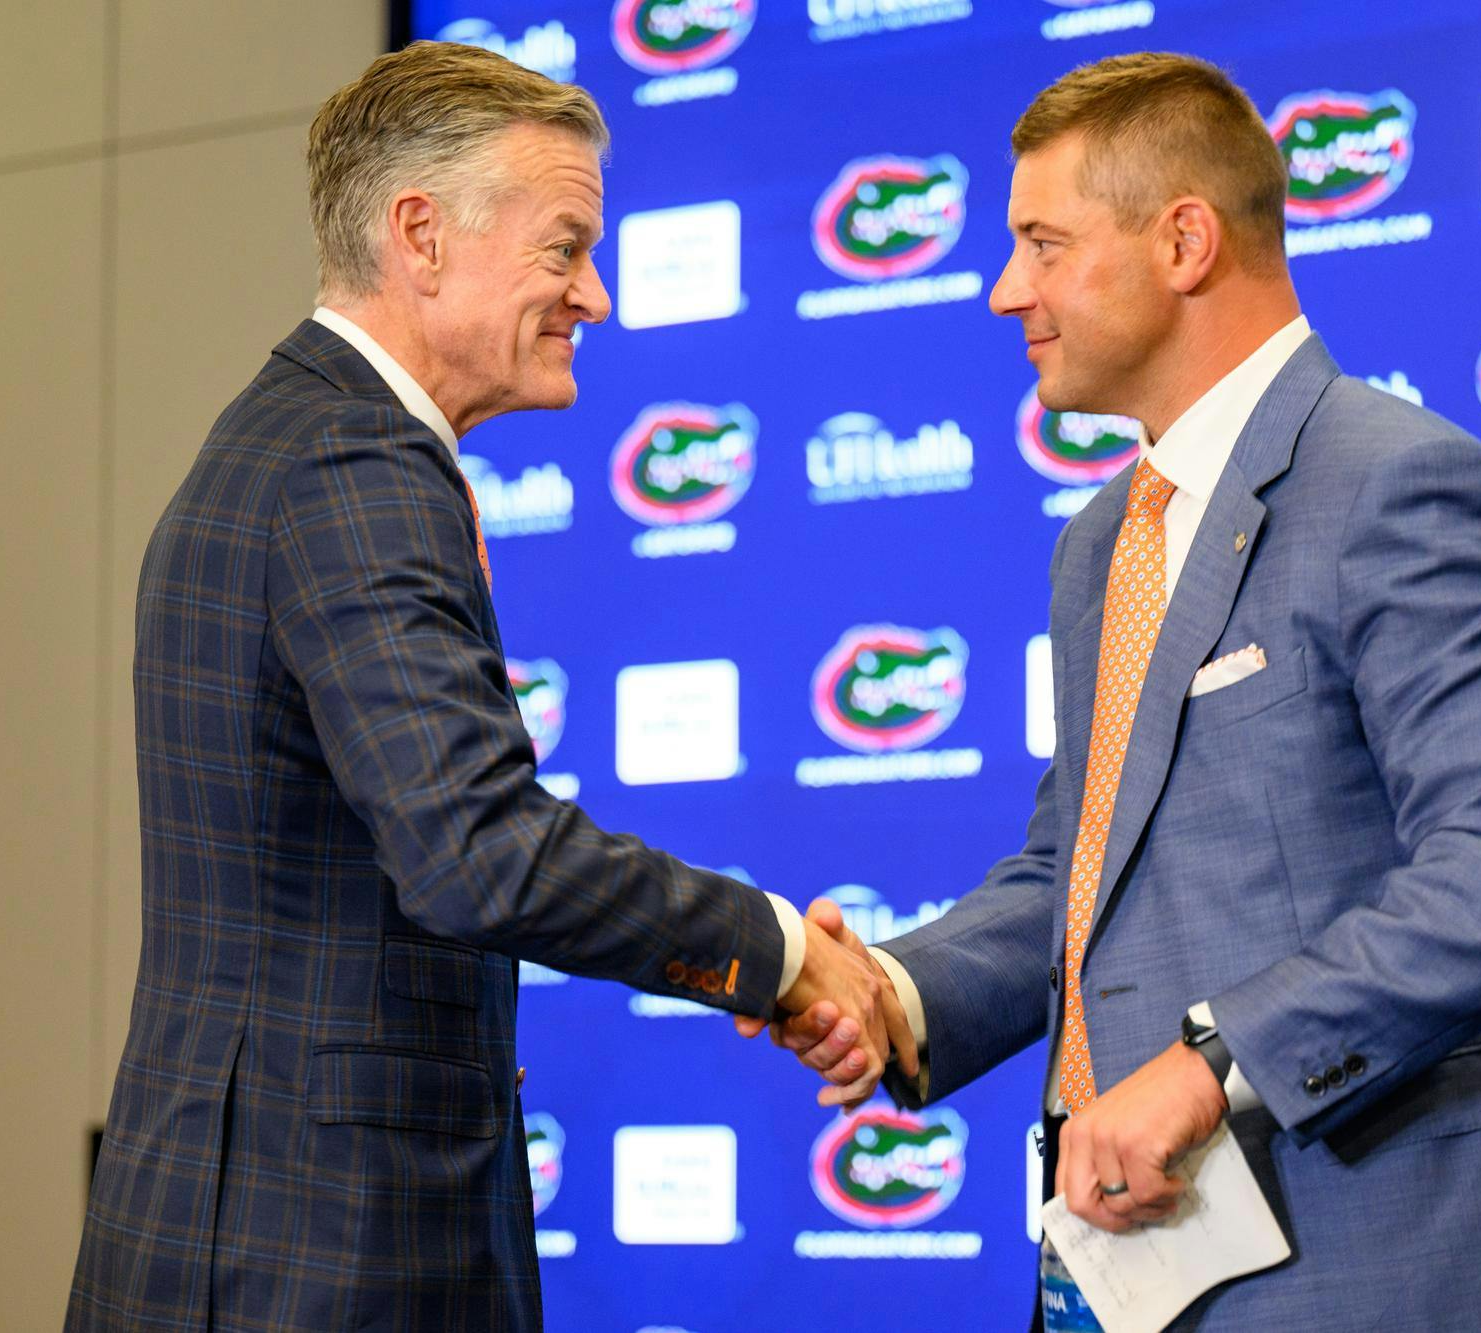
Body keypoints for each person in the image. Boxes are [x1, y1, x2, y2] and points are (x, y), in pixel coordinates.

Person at [753, 53, 1481, 1331]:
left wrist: (1217, 1064)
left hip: (1382, 1269)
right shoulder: (1104, 538)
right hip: (1119, 1273)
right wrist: (895, 989)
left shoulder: (1400, 484)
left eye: (1042, 245)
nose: (1005, 292)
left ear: (1182, 240)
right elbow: (1078, 869)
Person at [65, 43, 911, 1332]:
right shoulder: (353, 462)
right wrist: (778, 949)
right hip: (313, 1251)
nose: (599, 296)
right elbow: (477, 854)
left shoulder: (297, 438)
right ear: (421, 234)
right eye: (564, 247)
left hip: (259, 1224)